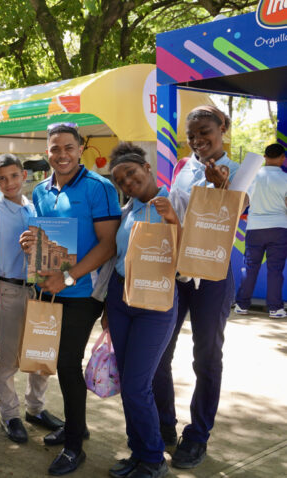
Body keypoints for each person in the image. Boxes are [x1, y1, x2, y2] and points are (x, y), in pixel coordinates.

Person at [19, 122, 121, 475]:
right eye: (54, 148)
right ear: (46, 152)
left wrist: (67, 277)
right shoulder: (41, 191)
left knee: (65, 362)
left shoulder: (100, 187)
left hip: (84, 292)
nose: (61, 154)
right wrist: (31, 245)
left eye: (68, 147)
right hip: (51, 289)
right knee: (57, 362)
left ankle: (75, 446)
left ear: (81, 149)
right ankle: (77, 425)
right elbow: (48, 238)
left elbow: (108, 245)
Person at [152, 106, 239, 470]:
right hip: (176, 271)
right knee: (157, 353)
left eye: (204, 131)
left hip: (213, 275)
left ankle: (197, 435)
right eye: (191, 136)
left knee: (206, 357)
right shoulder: (183, 166)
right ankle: (163, 425)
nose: (198, 140)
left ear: (222, 127)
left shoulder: (238, 171)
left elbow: (239, 209)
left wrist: (222, 189)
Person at [104, 143, 182, 478]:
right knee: (128, 381)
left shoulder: (173, 200)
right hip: (121, 299)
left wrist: (172, 220)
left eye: (132, 174)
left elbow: (189, 259)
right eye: (121, 180)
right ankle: (138, 452)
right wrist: (109, 307)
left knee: (138, 385)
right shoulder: (128, 210)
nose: (128, 183)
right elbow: (117, 257)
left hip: (156, 303)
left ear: (147, 169)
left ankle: (153, 460)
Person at [0, 154, 63, 445]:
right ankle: (10, 414)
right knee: (8, 358)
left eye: (14, 176)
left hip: (39, 288)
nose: (9, 183)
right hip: (8, 288)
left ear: (23, 176)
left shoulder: (35, 208)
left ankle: (36, 408)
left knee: (40, 354)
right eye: (2, 178)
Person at [234, 143, 287, 318]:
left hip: (255, 228)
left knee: (250, 267)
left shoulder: (253, 177)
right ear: (282, 158)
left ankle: (241, 305)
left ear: (264, 157)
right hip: (279, 228)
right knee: (275, 270)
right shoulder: (285, 179)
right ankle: (275, 309)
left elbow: (244, 201)